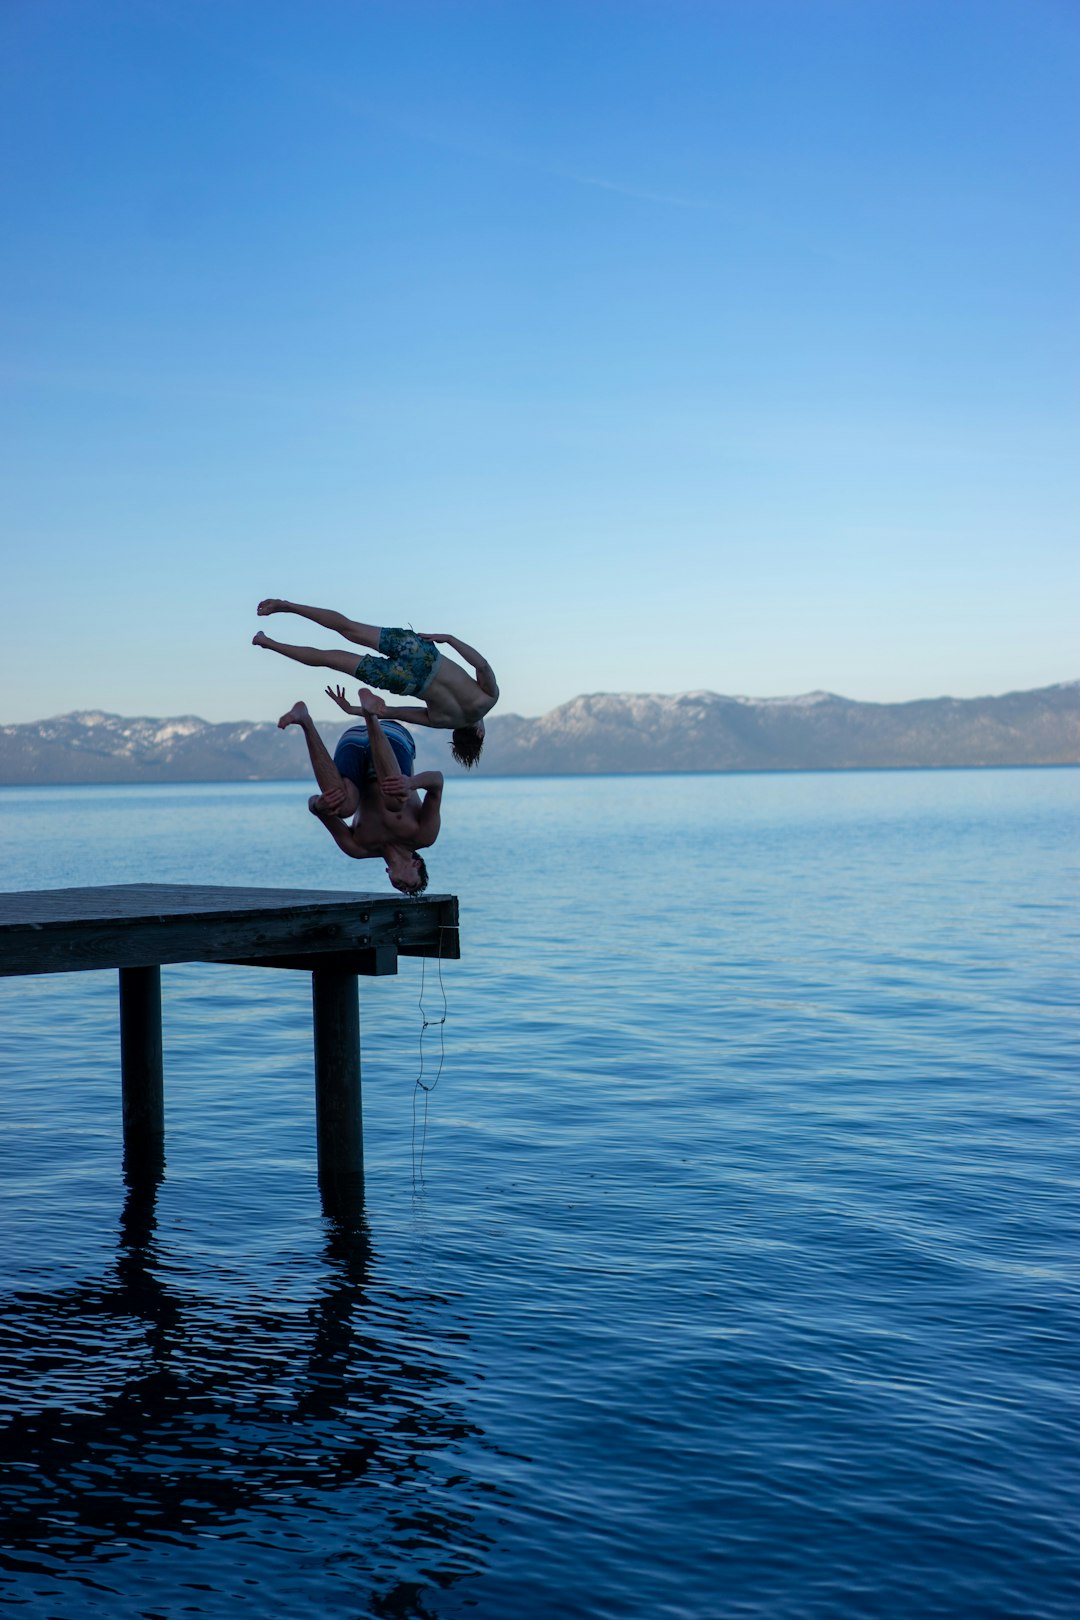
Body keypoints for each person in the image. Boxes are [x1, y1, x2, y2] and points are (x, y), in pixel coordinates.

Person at [253, 598, 498, 767]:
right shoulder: (444, 721)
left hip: (422, 655)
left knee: (349, 628)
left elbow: (482, 665)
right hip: (406, 682)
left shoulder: (487, 699)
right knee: (332, 659)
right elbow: (389, 712)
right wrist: (352, 710)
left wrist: (449, 639)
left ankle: (286, 606)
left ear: (478, 731)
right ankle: (267, 643)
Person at [277, 698, 442, 895]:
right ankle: (370, 715)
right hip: (393, 736)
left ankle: (305, 720)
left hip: (353, 742)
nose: (404, 890)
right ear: (417, 865)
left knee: (342, 808)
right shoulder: (423, 836)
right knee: (395, 802)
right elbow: (437, 783)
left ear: (387, 872)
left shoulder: (358, 848)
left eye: (403, 890)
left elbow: (316, 808)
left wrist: (319, 805)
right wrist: (410, 783)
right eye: (412, 885)